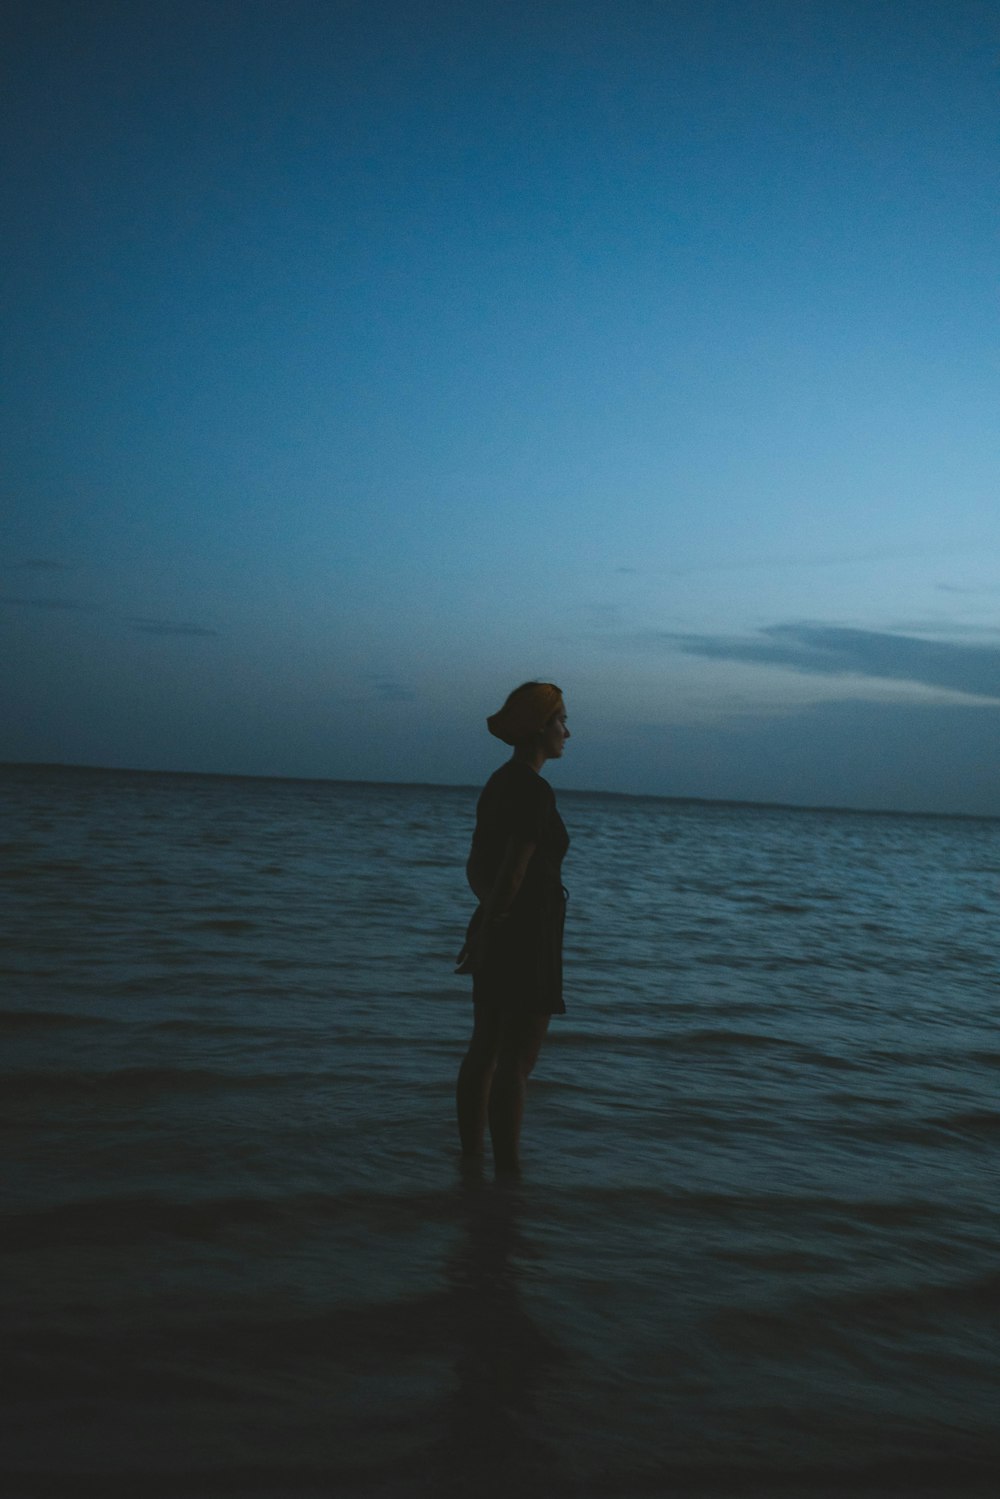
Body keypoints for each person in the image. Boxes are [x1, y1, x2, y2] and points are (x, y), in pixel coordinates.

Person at [455, 681, 570, 1174]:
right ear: (541, 728)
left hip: (498, 920)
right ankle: (508, 1174)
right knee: (516, 1062)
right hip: (528, 930)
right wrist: (498, 922)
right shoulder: (533, 790)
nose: (569, 731)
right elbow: (516, 870)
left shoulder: (498, 783)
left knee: (485, 1046)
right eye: (562, 720)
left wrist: (486, 920)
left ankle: (472, 1161)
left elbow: (476, 865)